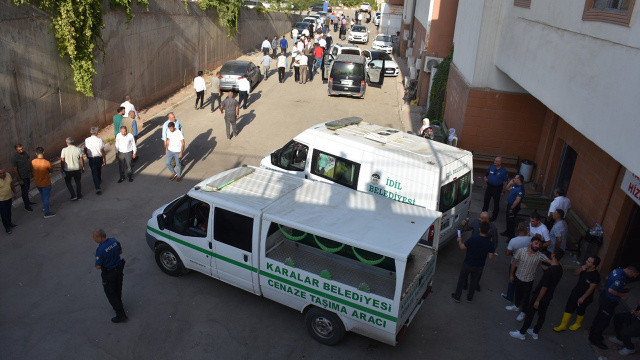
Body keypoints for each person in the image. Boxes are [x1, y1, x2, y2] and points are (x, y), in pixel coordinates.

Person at [510, 248, 565, 340]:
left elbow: (544, 287)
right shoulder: (559, 268)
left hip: (540, 295)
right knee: (542, 315)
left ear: (553, 255)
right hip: (549, 296)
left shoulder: (550, 271)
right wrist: (540, 264)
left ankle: (522, 333)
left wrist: (538, 300)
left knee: (530, 314)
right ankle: (535, 332)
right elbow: (549, 269)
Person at [589, 266, 640, 349]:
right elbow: (611, 290)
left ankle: (593, 334)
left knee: (599, 317)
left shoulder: (617, 270)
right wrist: (622, 295)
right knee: (603, 321)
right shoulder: (620, 278)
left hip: (604, 297)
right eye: (635, 275)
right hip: (609, 301)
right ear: (632, 272)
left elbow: (607, 278)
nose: (634, 277)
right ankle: (595, 339)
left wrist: (621, 288)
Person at [506, 236, 550, 322]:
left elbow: (550, 261)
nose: (537, 246)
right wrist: (511, 275)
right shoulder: (521, 251)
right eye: (536, 243)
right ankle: (516, 306)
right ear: (531, 243)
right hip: (518, 277)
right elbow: (514, 263)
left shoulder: (540, 256)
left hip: (528, 281)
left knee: (526, 298)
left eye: (539, 244)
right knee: (517, 293)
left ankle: (523, 312)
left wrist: (557, 265)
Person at [451, 222, 495, 303]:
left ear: (479, 229)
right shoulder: (490, 243)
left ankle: (457, 297)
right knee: (474, 281)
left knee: (462, 279)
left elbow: (462, 247)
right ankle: (469, 298)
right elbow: (491, 257)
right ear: (488, 231)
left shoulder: (473, 239)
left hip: (468, 263)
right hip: (479, 266)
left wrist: (460, 241)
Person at [554, 256, 601, 332]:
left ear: (593, 265)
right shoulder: (584, 269)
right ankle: (563, 325)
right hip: (575, 292)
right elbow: (576, 273)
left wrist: (583, 297)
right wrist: (581, 269)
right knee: (569, 307)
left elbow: (591, 288)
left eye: (589, 262)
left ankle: (578, 323)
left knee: (581, 310)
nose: (586, 262)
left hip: (585, 296)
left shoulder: (595, 275)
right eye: (587, 260)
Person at [93, 228, 127, 323]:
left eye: (94, 237)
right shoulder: (114, 241)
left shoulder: (100, 250)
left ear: (99, 237)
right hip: (119, 270)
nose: (94, 239)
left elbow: (98, 266)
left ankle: (120, 315)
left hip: (109, 274)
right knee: (118, 289)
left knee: (111, 294)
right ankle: (120, 304)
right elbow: (120, 252)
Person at [502, 223, 532, 302]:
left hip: (515, 264)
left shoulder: (513, 241)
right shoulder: (530, 239)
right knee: (522, 282)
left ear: (518, 230)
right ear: (526, 230)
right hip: (526, 264)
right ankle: (520, 298)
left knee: (512, 280)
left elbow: (507, 253)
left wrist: (513, 253)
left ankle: (510, 296)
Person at [31, 147, 55, 218]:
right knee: (46, 198)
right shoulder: (46, 162)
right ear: (43, 152)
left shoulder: (33, 161)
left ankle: (45, 207)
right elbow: (51, 170)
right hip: (46, 183)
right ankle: (47, 213)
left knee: (43, 196)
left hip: (38, 183)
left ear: (36, 153)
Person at [482, 156, 508, 221]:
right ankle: (483, 214)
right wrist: (485, 177)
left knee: (496, 203)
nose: (494, 162)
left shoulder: (503, 171)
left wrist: (503, 191)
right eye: (495, 160)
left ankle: (494, 217)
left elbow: (506, 181)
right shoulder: (492, 167)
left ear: (500, 162)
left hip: (497, 189)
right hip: (489, 187)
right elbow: (487, 173)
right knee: (486, 201)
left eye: (496, 161)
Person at [11, 144, 35, 212]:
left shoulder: (25, 153)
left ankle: (28, 201)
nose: (21, 151)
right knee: (24, 191)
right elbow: (15, 170)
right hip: (22, 177)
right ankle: (26, 206)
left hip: (27, 175)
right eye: (19, 150)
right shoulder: (14, 158)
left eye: (22, 149)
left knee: (27, 189)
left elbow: (29, 162)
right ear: (16, 150)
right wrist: (19, 179)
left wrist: (31, 172)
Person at [84, 127, 106, 194]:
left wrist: (87, 155)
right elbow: (102, 150)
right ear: (96, 132)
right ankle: (98, 184)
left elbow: (85, 149)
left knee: (94, 173)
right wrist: (104, 159)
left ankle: (98, 185)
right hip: (99, 158)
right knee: (98, 170)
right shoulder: (99, 140)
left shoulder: (87, 140)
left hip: (92, 158)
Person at [502, 174, 525, 238]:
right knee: (508, 219)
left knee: (511, 221)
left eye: (515, 178)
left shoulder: (520, 189)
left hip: (514, 207)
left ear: (519, 180)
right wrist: (510, 183)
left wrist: (512, 208)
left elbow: (517, 200)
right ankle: (507, 232)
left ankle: (511, 236)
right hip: (510, 205)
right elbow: (507, 189)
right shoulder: (515, 185)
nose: (514, 179)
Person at [0, 169, 18, 234]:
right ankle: (7, 227)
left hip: (9, 197)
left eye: (3, 173)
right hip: (1, 200)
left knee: (9, 211)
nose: (3, 174)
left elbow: (11, 184)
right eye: (1, 174)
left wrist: (15, 193)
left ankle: (10, 223)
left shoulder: (8, 175)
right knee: (3, 214)